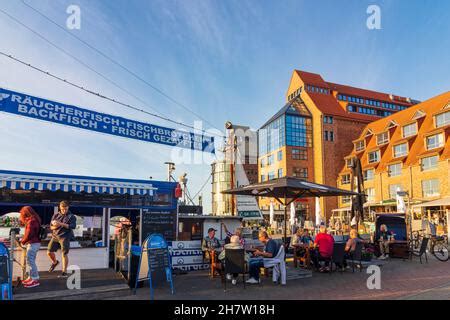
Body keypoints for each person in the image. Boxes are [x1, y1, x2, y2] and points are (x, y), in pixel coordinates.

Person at [47, 200, 77, 277]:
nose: (64, 210)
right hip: (55, 236)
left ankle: (64, 272)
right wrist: (55, 226)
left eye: (65, 209)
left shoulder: (71, 216)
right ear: (59, 207)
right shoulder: (55, 215)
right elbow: (51, 227)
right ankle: (55, 262)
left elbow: (72, 226)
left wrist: (60, 224)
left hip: (65, 237)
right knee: (49, 252)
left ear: (68, 207)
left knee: (64, 254)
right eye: (62, 209)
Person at [19, 206, 42, 288]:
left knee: (30, 261)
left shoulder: (31, 221)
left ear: (25, 213)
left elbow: (29, 234)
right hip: (35, 243)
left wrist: (22, 241)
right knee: (31, 261)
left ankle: (35, 280)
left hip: (32, 243)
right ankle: (31, 278)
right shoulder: (36, 219)